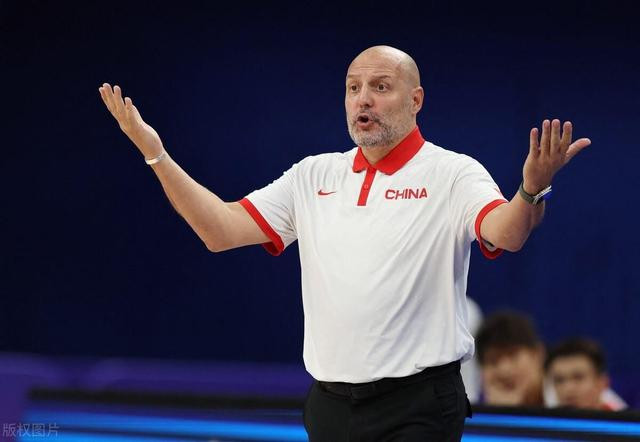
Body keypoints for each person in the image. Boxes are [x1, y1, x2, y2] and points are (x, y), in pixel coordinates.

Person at [98, 45, 590, 441]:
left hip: (417, 405)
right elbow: (219, 231)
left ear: (416, 100)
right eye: (353, 88)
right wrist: (156, 154)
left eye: (380, 87)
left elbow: (507, 233)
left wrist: (531, 190)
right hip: (331, 404)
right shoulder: (313, 175)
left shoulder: (452, 172)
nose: (363, 100)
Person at [475, 311, 546, 407]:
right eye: (493, 361)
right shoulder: (467, 413)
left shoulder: (564, 402)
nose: (504, 370)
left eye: (513, 356)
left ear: (538, 354)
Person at [545, 338, 625, 411]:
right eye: (559, 380)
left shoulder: (622, 420)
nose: (568, 388)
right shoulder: (545, 419)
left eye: (578, 378)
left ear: (602, 383)